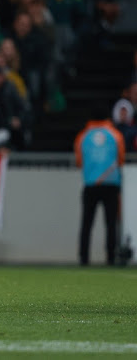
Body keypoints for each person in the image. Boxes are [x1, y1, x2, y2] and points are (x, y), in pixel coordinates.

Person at [74, 107, 125, 266]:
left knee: (87, 223)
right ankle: (111, 258)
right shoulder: (115, 135)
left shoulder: (82, 136)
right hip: (111, 184)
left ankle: (84, 258)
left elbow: (79, 161)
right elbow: (121, 159)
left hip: (90, 185)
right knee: (111, 223)